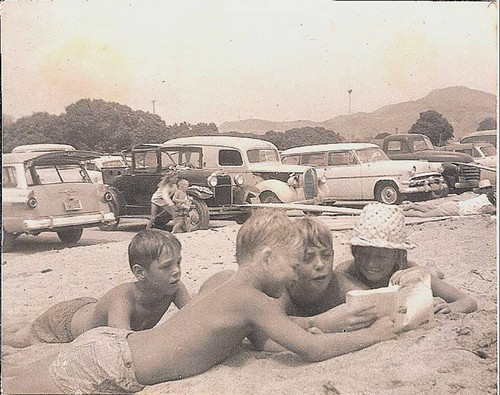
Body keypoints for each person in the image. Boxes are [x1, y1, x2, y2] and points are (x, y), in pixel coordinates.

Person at [4, 209, 396, 395]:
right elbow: (311, 348)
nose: (297, 275)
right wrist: (381, 332)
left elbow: (290, 332)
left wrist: (328, 321)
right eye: (293, 265)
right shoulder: (250, 299)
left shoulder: (238, 292)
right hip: (115, 363)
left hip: (112, 349)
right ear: (266, 259)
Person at [3, 229, 190, 349]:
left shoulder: (173, 288)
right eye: (166, 267)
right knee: (20, 340)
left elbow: (194, 312)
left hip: (89, 308)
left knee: (28, 329)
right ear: (140, 273)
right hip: (64, 325)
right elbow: (123, 342)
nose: (176, 271)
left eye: (179, 262)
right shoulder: (124, 298)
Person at [335, 203, 478, 314]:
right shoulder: (346, 272)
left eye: (381, 257)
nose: (371, 263)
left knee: (428, 274)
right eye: (364, 255)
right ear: (354, 252)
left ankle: (433, 270)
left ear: (398, 256)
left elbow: (468, 301)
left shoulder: (411, 271)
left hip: (414, 270)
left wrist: (449, 307)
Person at [402, 179, 496, 218]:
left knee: (430, 209)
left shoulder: (481, 196)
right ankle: (403, 213)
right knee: (424, 215)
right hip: (454, 209)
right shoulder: (487, 204)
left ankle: (412, 205)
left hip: (454, 204)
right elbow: (491, 210)